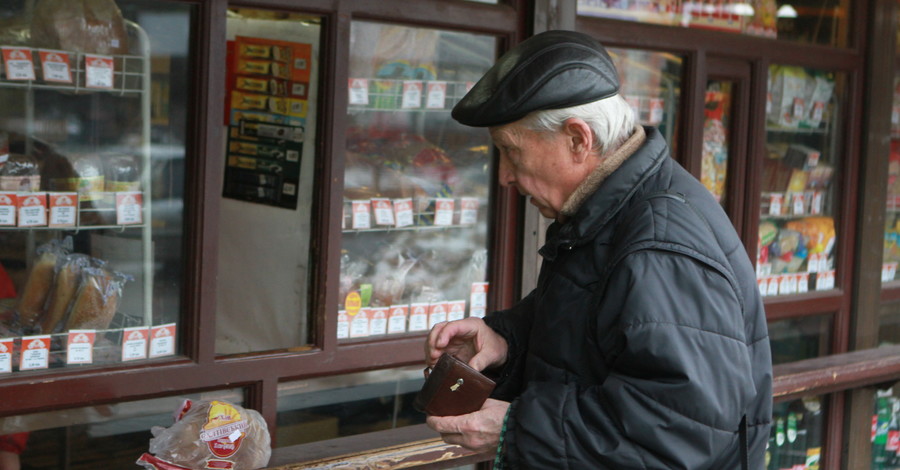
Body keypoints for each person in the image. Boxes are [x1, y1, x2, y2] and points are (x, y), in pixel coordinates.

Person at [423, 30, 772, 469]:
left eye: (512, 153)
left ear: (578, 139)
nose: (505, 177)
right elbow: (597, 330)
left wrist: (516, 428)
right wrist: (506, 342)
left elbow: (678, 428)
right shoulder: (615, 208)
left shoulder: (660, 243)